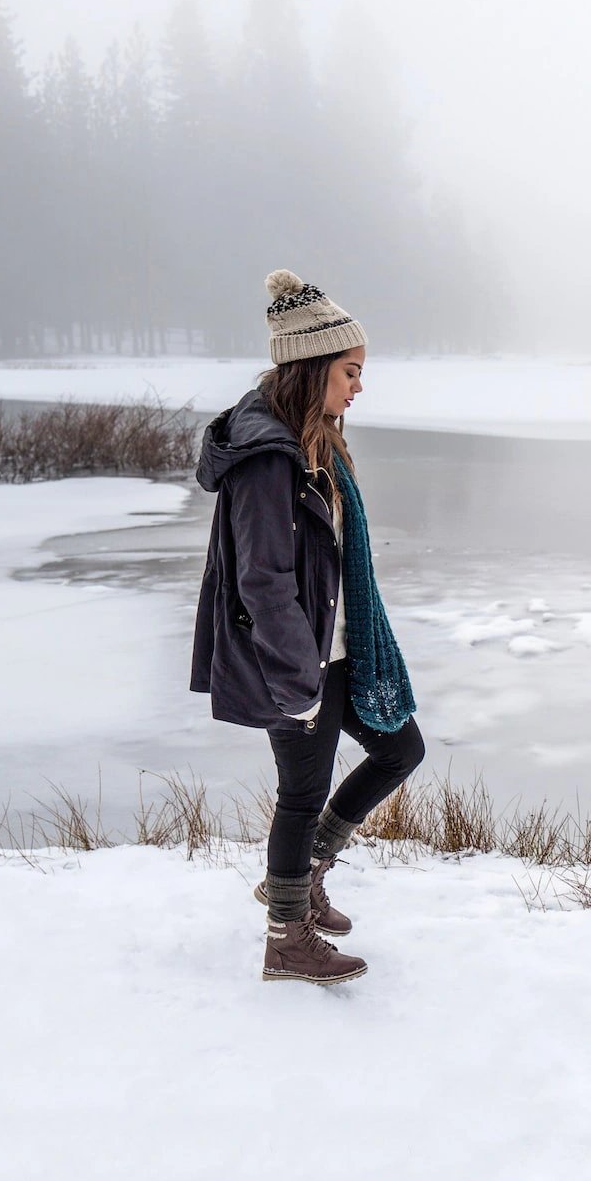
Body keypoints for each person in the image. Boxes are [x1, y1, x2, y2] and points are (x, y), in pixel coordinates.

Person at [190, 269, 425, 985]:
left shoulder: (313, 440)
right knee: (303, 792)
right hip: (296, 661)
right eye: (351, 372)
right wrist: (299, 679)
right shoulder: (269, 458)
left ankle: (305, 874)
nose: (358, 387)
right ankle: (286, 938)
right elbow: (264, 581)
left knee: (399, 749)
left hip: (337, 648)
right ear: (314, 366)